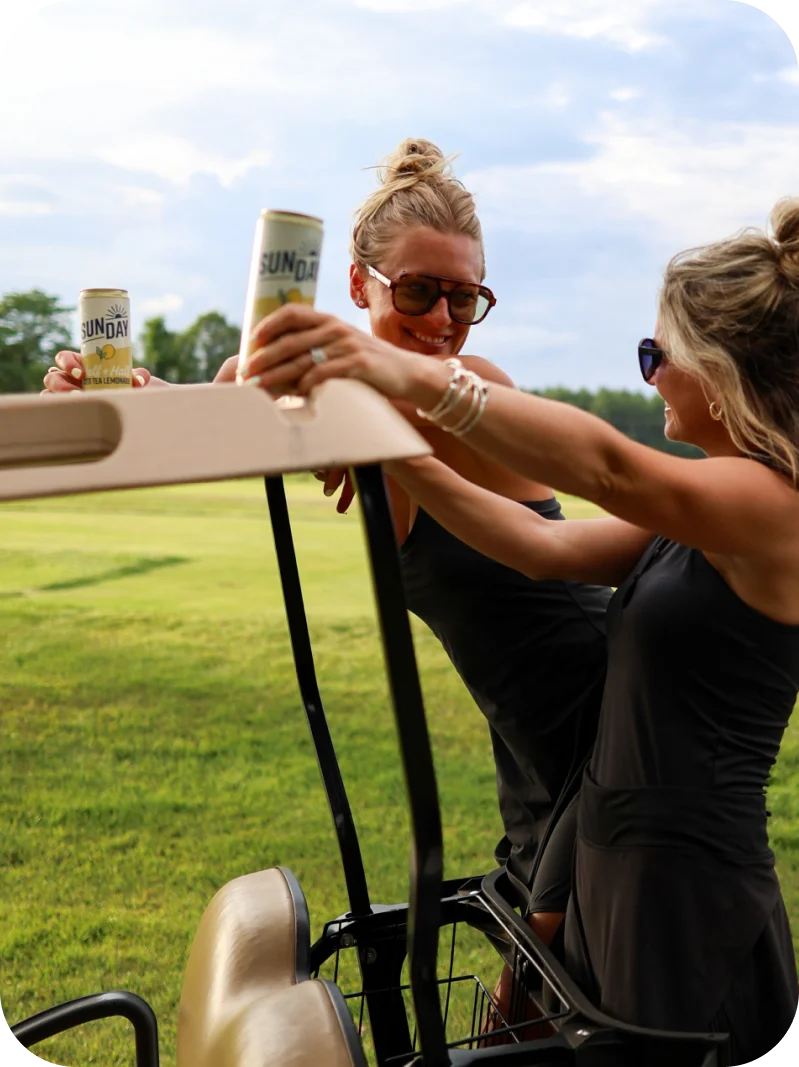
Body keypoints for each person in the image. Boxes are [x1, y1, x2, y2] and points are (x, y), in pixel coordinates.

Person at [239, 197, 799, 1065]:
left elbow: (604, 464)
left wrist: (401, 380)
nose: (648, 376)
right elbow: (544, 547)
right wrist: (401, 454)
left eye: (657, 355)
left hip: (683, 883)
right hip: (617, 850)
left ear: (720, 370)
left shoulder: (769, 509)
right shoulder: (714, 503)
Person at [42, 141, 611, 970]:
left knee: (586, 989)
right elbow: (242, 393)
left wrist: (333, 402)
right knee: (548, 990)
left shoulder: (468, 385)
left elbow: (301, 394)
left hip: (606, 710)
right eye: (417, 290)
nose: (442, 320)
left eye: (466, 297)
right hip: (534, 739)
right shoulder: (348, 393)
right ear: (357, 285)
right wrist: (129, 397)